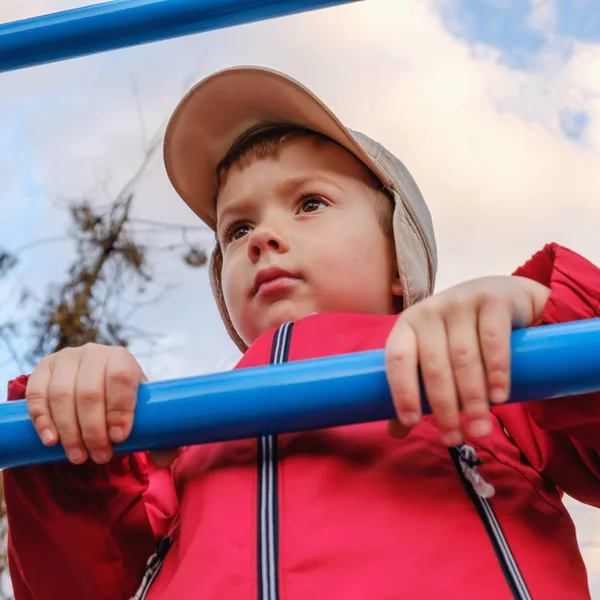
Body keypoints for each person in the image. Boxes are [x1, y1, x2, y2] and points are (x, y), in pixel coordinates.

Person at [3, 66, 600, 600]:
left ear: (401, 262)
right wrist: (71, 438)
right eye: (237, 230)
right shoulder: (182, 438)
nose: (262, 238)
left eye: (310, 203)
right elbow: (80, 581)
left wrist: (541, 310)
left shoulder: (477, 366)